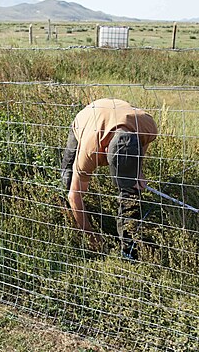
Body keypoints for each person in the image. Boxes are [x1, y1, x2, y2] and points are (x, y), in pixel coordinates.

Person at [60, 98, 158, 260]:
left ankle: (128, 251)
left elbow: (141, 148)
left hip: (123, 117)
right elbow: (74, 194)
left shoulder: (148, 128)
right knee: (69, 180)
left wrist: (137, 172)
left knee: (130, 192)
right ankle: (75, 219)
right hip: (88, 117)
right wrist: (91, 237)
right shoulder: (90, 151)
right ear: (105, 150)